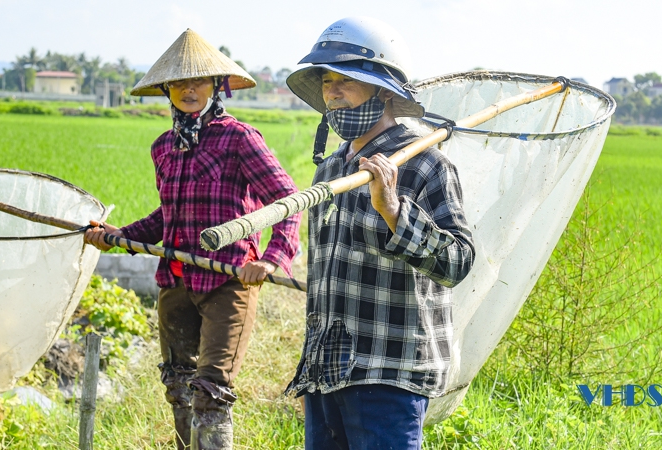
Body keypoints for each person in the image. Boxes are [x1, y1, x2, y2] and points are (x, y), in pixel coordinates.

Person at [84, 29, 301, 450]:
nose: (188, 89)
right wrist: (119, 236)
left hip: (227, 282)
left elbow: (287, 203)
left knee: (211, 392)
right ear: (166, 89)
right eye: (179, 82)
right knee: (179, 387)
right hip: (177, 282)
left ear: (217, 86)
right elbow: (169, 216)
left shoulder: (239, 139)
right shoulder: (164, 147)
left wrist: (272, 259)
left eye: (198, 81)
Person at [283, 17, 475, 449]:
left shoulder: (424, 164)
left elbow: (458, 261)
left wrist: (394, 211)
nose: (332, 92)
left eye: (346, 82)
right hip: (326, 368)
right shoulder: (330, 170)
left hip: (390, 369)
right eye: (327, 82)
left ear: (384, 91)